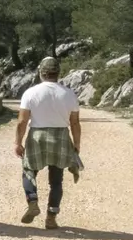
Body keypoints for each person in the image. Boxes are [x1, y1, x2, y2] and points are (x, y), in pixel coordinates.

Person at [13, 56, 82, 228]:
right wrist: (76, 144)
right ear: (58, 73)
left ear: (41, 73)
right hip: (60, 137)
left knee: (29, 171)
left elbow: (22, 121)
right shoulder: (69, 94)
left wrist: (18, 142)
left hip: (37, 136)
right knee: (56, 180)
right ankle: (51, 217)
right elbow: (75, 122)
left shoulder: (30, 93)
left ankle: (33, 201)